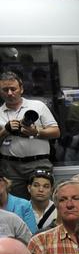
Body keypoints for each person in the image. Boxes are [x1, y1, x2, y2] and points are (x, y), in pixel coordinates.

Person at [0, 70, 58, 198]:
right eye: (5, 90)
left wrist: (36, 132)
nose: (10, 93)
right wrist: (5, 131)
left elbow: (55, 132)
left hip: (39, 162)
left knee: (43, 201)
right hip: (11, 167)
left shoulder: (38, 106)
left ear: (21, 89)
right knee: (16, 203)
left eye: (13, 89)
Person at [25, 168, 55, 233]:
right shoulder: (22, 209)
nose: (41, 190)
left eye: (46, 186)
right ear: (29, 188)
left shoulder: (58, 210)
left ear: (51, 191)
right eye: (36, 185)